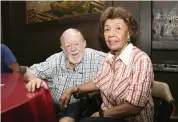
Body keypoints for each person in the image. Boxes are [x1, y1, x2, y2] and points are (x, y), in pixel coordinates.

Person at [59, 7, 154, 122]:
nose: (111, 34)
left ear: (129, 34)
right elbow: (98, 82)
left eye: (118, 28)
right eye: (107, 29)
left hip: (130, 119)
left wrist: (102, 113)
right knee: (73, 106)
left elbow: (134, 107)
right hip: (109, 112)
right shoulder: (110, 56)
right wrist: (72, 89)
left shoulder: (141, 60)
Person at [24, 28, 107, 120]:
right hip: (51, 109)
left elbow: (118, 62)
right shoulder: (55, 60)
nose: (73, 49)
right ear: (62, 48)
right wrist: (34, 79)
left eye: (77, 44)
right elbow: (29, 71)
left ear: (84, 44)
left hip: (81, 109)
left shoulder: (98, 58)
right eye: (68, 46)